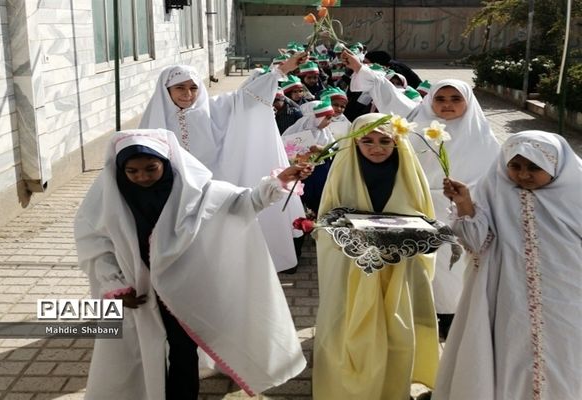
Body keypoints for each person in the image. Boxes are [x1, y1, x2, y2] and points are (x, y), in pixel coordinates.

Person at [75, 129, 311, 400]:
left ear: (167, 162)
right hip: (138, 292)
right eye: (132, 171)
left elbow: (242, 203)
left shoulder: (197, 192)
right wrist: (114, 284)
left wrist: (276, 182)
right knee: (141, 349)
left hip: (184, 289)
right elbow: (93, 243)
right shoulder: (108, 198)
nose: (142, 177)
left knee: (182, 348)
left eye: (151, 168)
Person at [343, 50, 501, 339]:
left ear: (469, 102)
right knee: (422, 265)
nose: (447, 105)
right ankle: (421, 314)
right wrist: (361, 69)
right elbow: (390, 96)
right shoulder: (419, 120)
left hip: (463, 214)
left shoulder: (483, 136)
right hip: (418, 208)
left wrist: (468, 203)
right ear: (431, 101)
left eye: (455, 99)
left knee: (455, 268)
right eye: (440, 99)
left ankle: (453, 314)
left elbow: (496, 181)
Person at [435, 130, 582, 400]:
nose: (523, 174)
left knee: (564, 359)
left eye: (534, 167)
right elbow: (476, 242)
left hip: (567, 297)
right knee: (513, 355)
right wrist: (465, 203)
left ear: (555, 165)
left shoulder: (577, 194)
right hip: (509, 295)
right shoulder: (493, 190)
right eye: (515, 166)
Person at [139, 54, 307, 274]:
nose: (188, 94)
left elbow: (245, 99)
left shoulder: (211, 109)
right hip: (170, 193)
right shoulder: (153, 120)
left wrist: (280, 71)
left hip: (209, 189)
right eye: (180, 88)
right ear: (166, 89)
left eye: (193, 87)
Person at [312, 113, 439, 400]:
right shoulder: (343, 172)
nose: (376, 147)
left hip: (399, 266)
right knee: (349, 326)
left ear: (398, 141)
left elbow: (423, 215)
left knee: (397, 326)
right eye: (366, 141)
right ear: (353, 143)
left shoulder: (409, 172)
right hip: (353, 266)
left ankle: (394, 383)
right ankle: (347, 385)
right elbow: (327, 222)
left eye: (385, 140)